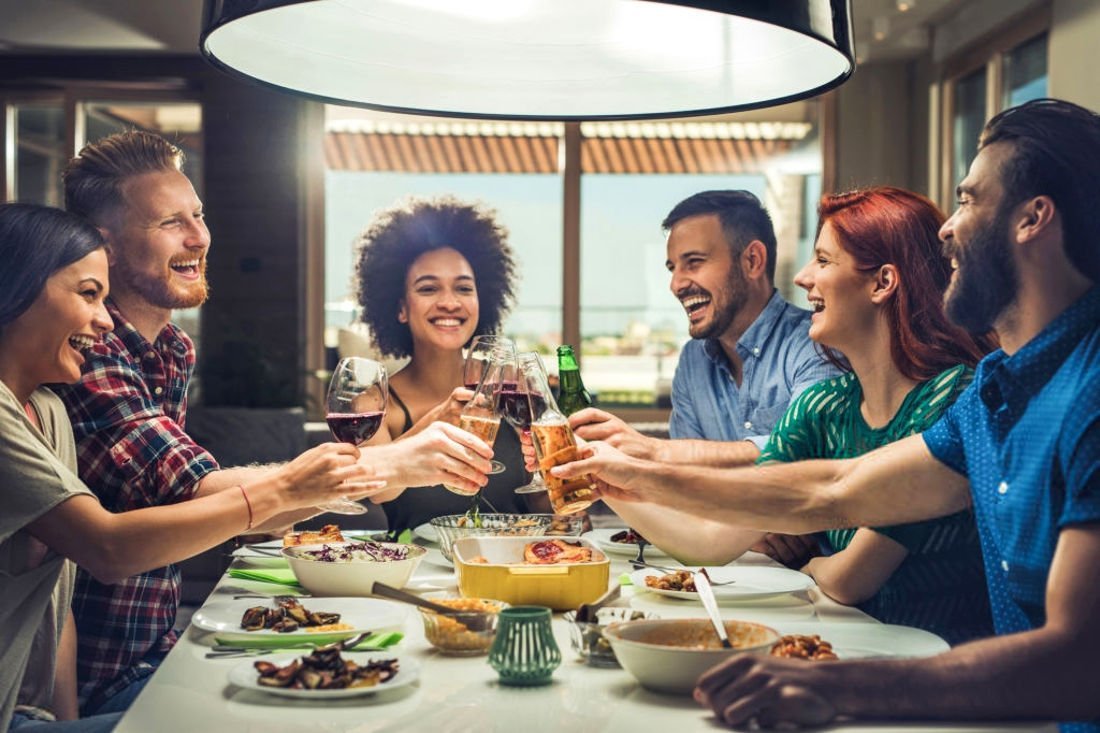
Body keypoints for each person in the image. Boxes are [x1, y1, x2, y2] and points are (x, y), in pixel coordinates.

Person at [554, 98, 1100, 731]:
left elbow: (1081, 663)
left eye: (970, 201)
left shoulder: (1085, 392)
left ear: (1033, 219)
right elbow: (834, 487)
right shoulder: (993, 392)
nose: (947, 228)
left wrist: (838, 685)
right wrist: (632, 475)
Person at [56, 132, 493, 715]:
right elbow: (195, 490)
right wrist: (391, 461)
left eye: (199, 214)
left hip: (159, 647)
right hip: (106, 679)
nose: (199, 237)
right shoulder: (89, 347)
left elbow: (231, 513)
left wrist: (360, 472)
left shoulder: (170, 351)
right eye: (169, 223)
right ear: (105, 246)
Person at [0, 202, 373, 732]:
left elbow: (53, 610)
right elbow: (107, 547)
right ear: (15, 290)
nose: (104, 321)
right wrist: (285, 487)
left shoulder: (48, 410)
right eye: (88, 294)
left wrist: (68, 722)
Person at [569, 189, 839, 565]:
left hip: (808, 585)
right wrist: (749, 533)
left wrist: (654, 451)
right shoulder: (693, 361)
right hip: (722, 569)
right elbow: (685, 495)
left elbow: (805, 461)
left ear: (753, 260)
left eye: (693, 263)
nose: (676, 284)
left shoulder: (815, 344)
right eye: (672, 268)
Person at [355, 196, 548, 532]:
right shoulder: (374, 404)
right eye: (428, 288)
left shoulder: (512, 387)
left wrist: (555, 472)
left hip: (514, 569)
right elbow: (380, 490)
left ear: (481, 302)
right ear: (400, 308)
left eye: (463, 288)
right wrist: (433, 424)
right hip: (414, 579)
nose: (449, 302)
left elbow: (543, 505)